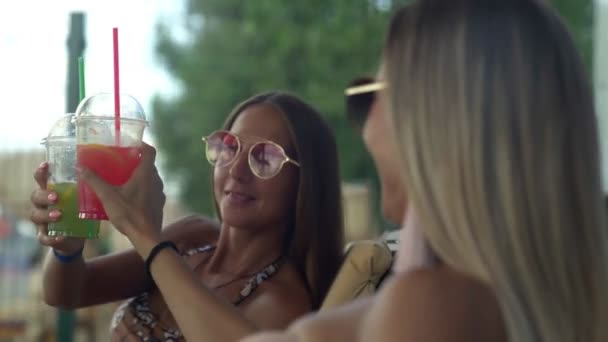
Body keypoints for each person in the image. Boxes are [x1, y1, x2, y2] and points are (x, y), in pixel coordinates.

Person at [244, 0, 608, 341]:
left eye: (370, 98)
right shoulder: (563, 295)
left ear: (434, 126)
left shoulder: (435, 304)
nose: (365, 125)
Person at [30, 92, 345, 341]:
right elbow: (68, 292)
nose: (236, 170)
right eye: (229, 147)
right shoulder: (193, 239)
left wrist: (142, 231)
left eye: (264, 157)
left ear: (306, 182)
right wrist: (67, 250)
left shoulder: (281, 302)